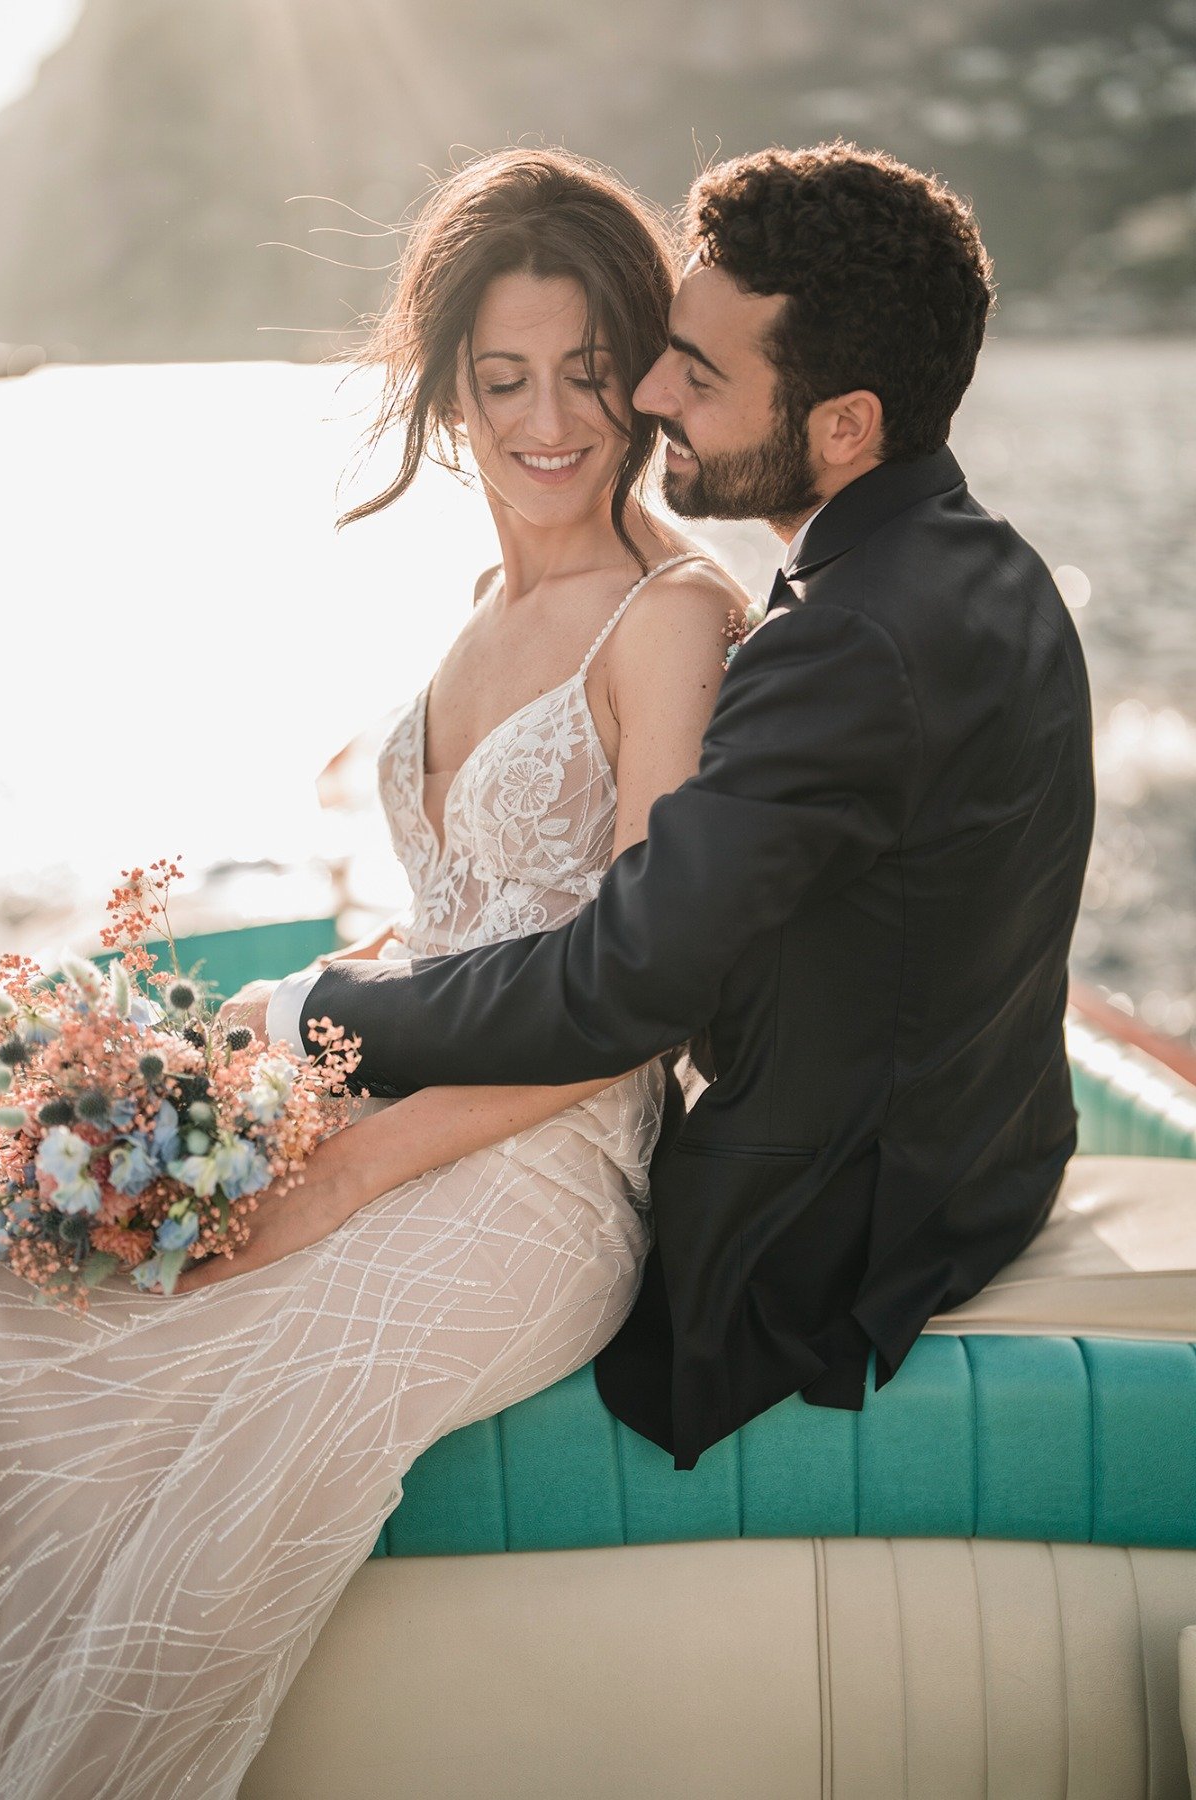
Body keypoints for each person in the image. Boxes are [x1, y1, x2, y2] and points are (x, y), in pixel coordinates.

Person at [0, 147, 746, 1798]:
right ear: (446, 394)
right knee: (30, 1318)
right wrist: (256, 1079)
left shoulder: (671, 620)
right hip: (398, 1106)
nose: (548, 420)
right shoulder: (485, 603)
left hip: (547, 1174)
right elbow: (452, 926)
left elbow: (639, 998)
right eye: (502, 381)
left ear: (639, 382)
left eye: (588, 375)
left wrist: (342, 1179)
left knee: (234, 1486)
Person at [260, 143, 1097, 1475]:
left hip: (824, 1230)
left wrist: (313, 1019)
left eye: (693, 376)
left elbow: (623, 991)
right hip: (993, 1157)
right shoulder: (985, 568)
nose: (650, 396)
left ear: (844, 426)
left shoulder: (838, 647)